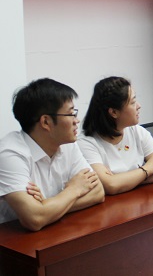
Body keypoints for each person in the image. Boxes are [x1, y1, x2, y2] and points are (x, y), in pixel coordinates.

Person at [0, 78, 104, 231]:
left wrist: (46, 206)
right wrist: (74, 190)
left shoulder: (68, 144)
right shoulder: (9, 154)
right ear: (46, 122)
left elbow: (98, 192)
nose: (77, 120)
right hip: (13, 240)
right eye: (71, 114)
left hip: (56, 231)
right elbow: (34, 219)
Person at [78, 77, 153, 195]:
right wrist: (147, 169)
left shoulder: (137, 131)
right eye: (133, 102)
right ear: (114, 112)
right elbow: (110, 185)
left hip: (141, 199)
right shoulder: (87, 142)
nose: (139, 106)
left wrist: (126, 181)